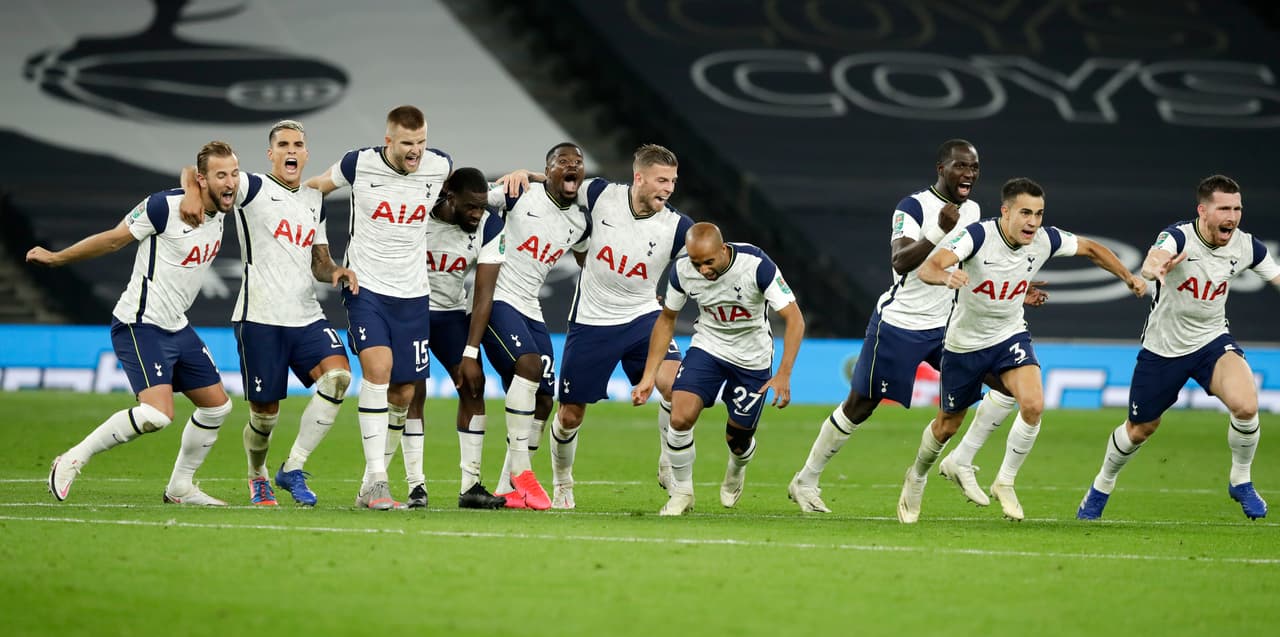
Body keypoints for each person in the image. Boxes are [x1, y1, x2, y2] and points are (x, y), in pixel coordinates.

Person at [788, 140, 1045, 514]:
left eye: (974, 167)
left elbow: (974, 265)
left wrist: (1017, 289)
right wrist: (937, 232)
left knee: (1009, 386)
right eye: (960, 166)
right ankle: (806, 479)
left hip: (950, 327)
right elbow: (901, 260)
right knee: (861, 405)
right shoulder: (912, 207)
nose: (969, 174)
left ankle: (961, 459)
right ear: (942, 168)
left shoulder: (973, 210)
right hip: (901, 325)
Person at [898, 177, 1146, 523]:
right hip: (964, 344)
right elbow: (929, 267)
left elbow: (1091, 248)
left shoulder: (1045, 239)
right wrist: (947, 277)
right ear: (1005, 212)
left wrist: (1128, 277)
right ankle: (918, 475)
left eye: (1039, 214)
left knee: (1033, 404)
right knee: (947, 426)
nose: (1033, 222)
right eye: (1025, 213)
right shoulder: (977, 236)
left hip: (1009, 335)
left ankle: (1005, 481)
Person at [35, 141, 240, 505]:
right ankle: (71, 459)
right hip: (140, 323)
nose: (231, 182)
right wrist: (57, 258)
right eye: (221, 175)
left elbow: (192, 173)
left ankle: (180, 488)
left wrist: (194, 189)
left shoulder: (226, 200)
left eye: (234, 174)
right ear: (203, 179)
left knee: (217, 407)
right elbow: (113, 240)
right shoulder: (162, 208)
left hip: (177, 325)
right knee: (157, 415)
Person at [498, 143, 691, 510]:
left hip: (643, 317)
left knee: (675, 386)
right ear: (639, 178)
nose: (668, 189)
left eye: (673, 181)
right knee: (569, 415)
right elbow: (560, 182)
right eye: (662, 180)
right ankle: (563, 483)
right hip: (592, 321)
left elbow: (707, 254)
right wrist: (526, 175)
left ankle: (668, 462)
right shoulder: (601, 194)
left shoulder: (677, 226)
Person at [1077, 174, 1276, 521]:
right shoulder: (1179, 237)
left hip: (1212, 340)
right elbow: (1153, 259)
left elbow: (1275, 276)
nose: (1232, 217)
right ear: (1203, 210)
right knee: (1140, 429)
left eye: (1237, 208)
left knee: (1246, 406)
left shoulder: (1247, 246)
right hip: (1163, 349)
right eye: (1224, 209)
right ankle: (1101, 485)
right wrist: (1154, 268)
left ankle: (1240, 480)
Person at [179, 121, 358, 507]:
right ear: (270, 154)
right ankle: (257, 475)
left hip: (306, 316)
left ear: (306, 154)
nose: (291, 150)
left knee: (339, 378)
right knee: (265, 417)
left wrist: (336, 272)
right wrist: (192, 193)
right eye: (283, 145)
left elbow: (319, 262)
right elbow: (200, 172)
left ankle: (293, 466)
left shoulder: (314, 199)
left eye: (298, 144)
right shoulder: (252, 186)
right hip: (259, 317)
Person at [304, 105, 450, 510]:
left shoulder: (439, 166)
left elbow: (471, 193)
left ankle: (369, 483)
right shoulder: (358, 164)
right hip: (365, 287)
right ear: (388, 141)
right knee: (379, 370)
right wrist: (323, 253)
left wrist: (524, 177)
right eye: (407, 143)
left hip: (414, 294)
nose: (416, 151)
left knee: (404, 392)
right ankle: (379, 480)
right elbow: (312, 191)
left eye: (421, 142)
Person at [633, 222, 805, 516]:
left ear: (723, 250)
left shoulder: (756, 265)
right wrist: (649, 376)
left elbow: (795, 319)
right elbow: (667, 319)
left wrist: (784, 373)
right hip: (708, 347)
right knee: (680, 417)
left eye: (709, 262)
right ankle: (682, 493)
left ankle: (736, 468)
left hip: (752, 358)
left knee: (738, 440)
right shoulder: (682, 270)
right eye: (697, 263)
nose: (703, 270)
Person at [383, 167, 506, 509]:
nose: (476, 214)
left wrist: (471, 352)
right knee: (412, 390)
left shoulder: (489, 225)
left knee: (474, 385)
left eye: (481, 206)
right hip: (411, 310)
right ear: (450, 197)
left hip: (451, 315)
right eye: (470, 207)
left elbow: (483, 295)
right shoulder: (417, 214)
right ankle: (416, 486)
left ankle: (471, 486)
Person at [480, 143, 589, 510]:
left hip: (530, 305)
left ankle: (506, 488)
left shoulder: (581, 221)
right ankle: (521, 473)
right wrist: (523, 176)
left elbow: (588, 261)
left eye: (578, 163)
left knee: (544, 398)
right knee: (528, 366)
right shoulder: (518, 193)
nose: (572, 166)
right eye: (563, 162)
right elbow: (467, 197)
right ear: (548, 167)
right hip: (496, 298)